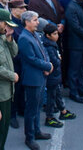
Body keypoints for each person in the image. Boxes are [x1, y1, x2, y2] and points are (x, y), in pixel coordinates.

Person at [18, 10, 52, 150]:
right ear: (27, 22)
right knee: (31, 109)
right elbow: (31, 58)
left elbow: (43, 51)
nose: (38, 22)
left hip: (41, 75)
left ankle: (37, 131)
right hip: (33, 77)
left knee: (38, 106)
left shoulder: (34, 34)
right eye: (35, 20)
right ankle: (29, 137)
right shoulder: (24, 38)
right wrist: (47, 65)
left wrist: (48, 64)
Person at [41, 23, 76, 128]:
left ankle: (63, 111)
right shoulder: (49, 47)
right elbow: (54, 61)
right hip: (52, 76)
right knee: (51, 98)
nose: (57, 36)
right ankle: (49, 118)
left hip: (55, 76)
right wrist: (58, 59)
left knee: (57, 94)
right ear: (48, 35)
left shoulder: (51, 43)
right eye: (55, 34)